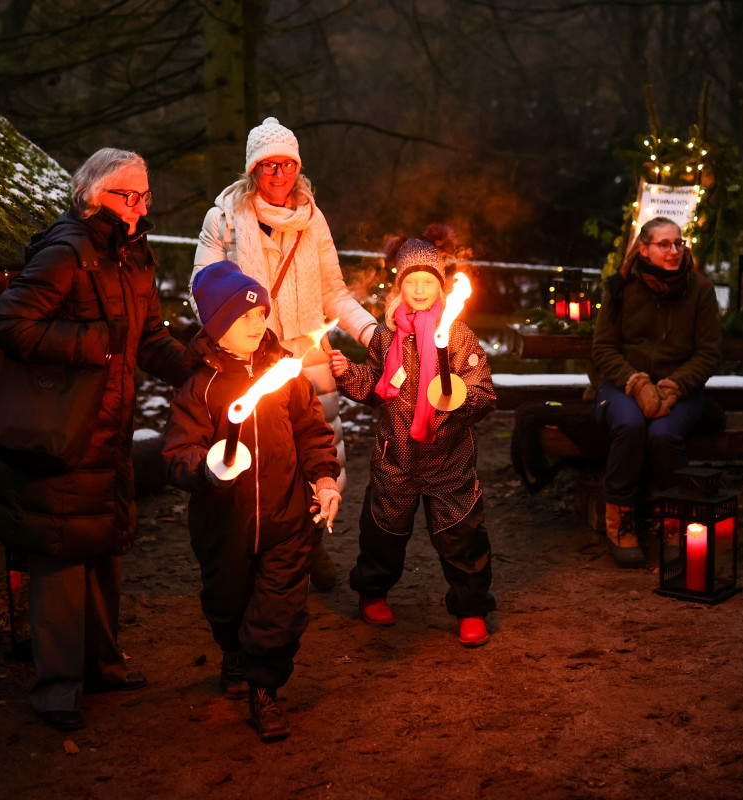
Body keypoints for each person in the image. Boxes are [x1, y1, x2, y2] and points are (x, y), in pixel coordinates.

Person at [0, 148, 190, 732]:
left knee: (104, 546)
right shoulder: (67, 252)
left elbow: (149, 340)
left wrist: (199, 373)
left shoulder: (135, 257)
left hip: (112, 430)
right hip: (62, 432)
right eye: (130, 195)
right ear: (94, 196)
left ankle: (101, 664)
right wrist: (96, 344)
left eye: (146, 195)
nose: (141, 205)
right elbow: (10, 323)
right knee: (60, 556)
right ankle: (56, 688)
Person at [192, 116, 377, 591]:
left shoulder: (312, 220)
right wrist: (236, 341)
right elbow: (203, 291)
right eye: (268, 165)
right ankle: (259, 553)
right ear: (253, 169)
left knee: (316, 452)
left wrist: (373, 333)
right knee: (261, 460)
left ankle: (309, 543)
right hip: (250, 360)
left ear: (298, 167)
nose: (278, 174)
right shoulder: (226, 219)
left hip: (306, 353)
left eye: (287, 164)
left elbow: (335, 292)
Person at [162, 261, 341, 742]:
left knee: (279, 607)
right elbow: (179, 452)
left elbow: (312, 431)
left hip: (286, 517)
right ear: (218, 325)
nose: (258, 322)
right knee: (227, 603)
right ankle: (234, 652)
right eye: (245, 316)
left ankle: (264, 688)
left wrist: (324, 479)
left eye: (261, 312)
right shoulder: (199, 385)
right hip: (225, 524)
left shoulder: (284, 372)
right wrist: (208, 468)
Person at [327, 238, 497, 647]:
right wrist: (348, 372)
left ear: (441, 287)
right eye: (411, 282)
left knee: (462, 538)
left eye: (427, 281)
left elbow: (484, 392)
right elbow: (375, 386)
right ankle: (373, 591)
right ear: (399, 288)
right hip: (396, 457)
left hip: (448, 460)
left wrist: (460, 398)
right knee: (383, 532)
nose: (419, 290)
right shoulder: (387, 339)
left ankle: (470, 608)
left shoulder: (459, 337)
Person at [590, 216, 722, 568]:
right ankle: (621, 523)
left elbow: (708, 352)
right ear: (644, 249)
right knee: (631, 426)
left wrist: (673, 386)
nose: (674, 250)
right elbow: (603, 348)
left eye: (678, 243)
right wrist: (637, 383)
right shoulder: (620, 287)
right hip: (623, 384)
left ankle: (677, 521)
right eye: (664, 244)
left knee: (663, 434)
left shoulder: (700, 289)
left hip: (681, 388)